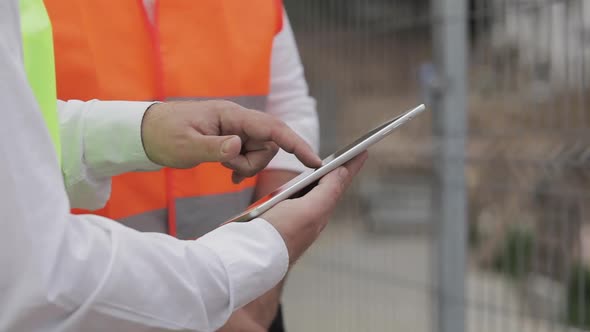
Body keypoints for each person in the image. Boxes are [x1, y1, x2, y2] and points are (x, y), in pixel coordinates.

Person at [0, 1, 367, 331]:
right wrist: (229, 277)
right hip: (98, 310)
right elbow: (36, 271)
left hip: (238, 297)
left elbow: (291, 112)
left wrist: (256, 298)